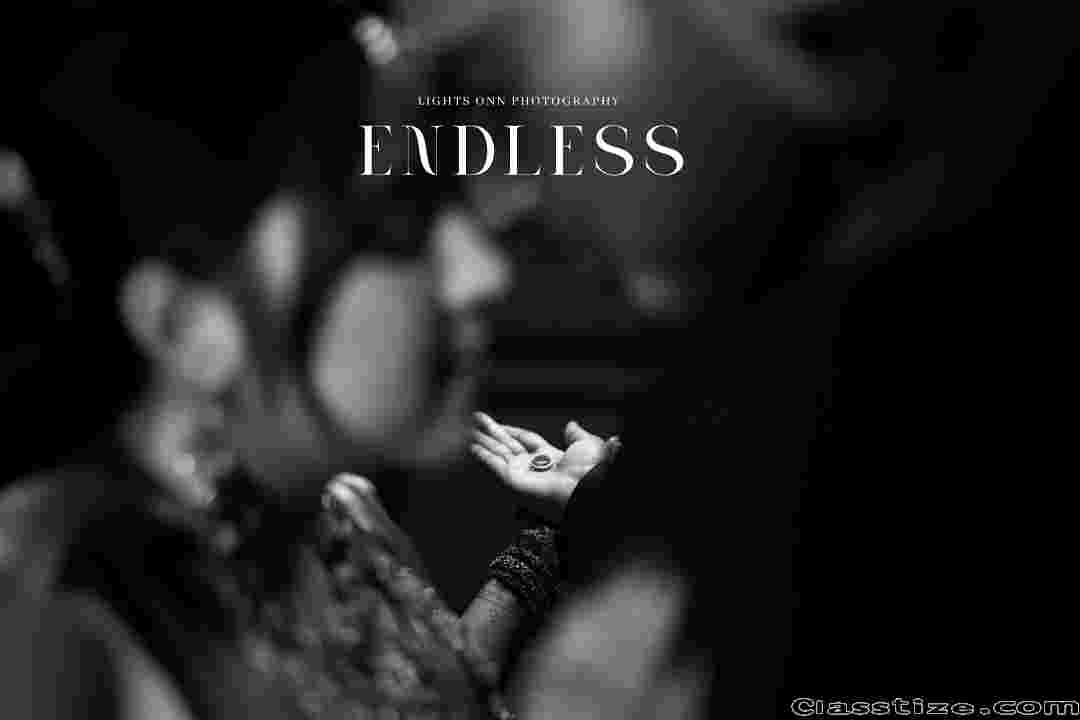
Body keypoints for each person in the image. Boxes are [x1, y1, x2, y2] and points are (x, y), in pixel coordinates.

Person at [0, 9, 617, 720]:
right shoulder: (56, 621)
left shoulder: (344, 521)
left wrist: (555, 538)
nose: (483, 272)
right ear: (186, 323)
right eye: (396, 225)